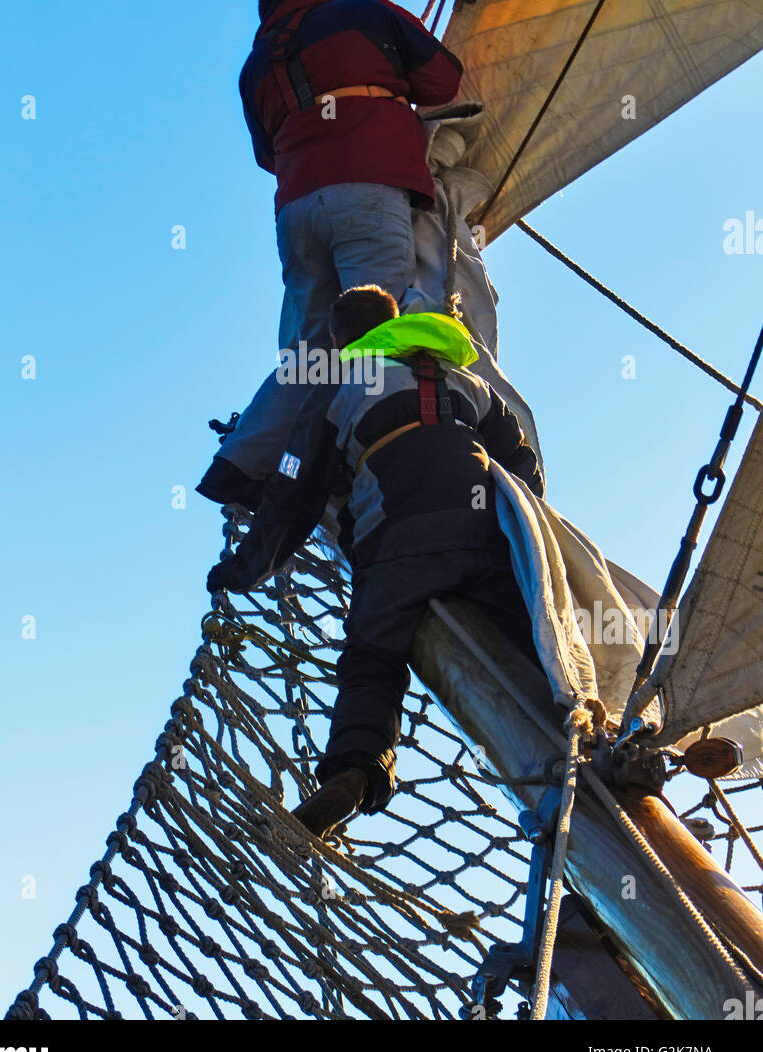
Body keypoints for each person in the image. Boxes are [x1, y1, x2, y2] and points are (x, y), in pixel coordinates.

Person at [206, 285, 544, 841]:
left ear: (340, 339)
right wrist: (525, 541)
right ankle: (588, 775)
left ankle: (354, 773)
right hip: (488, 537)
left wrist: (243, 569)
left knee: (372, 659)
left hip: (397, 542)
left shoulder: (341, 385)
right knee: (534, 658)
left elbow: (294, 484)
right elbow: (520, 461)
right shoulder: (464, 377)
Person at [196, 0, 464, 511]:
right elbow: (444, 80)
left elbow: (265, 156)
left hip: (297, 210)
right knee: (377, 329)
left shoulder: (253, 70)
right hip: (365, 188)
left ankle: (244, 466)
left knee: (310, 352)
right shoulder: (364, 14)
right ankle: (360, 454)